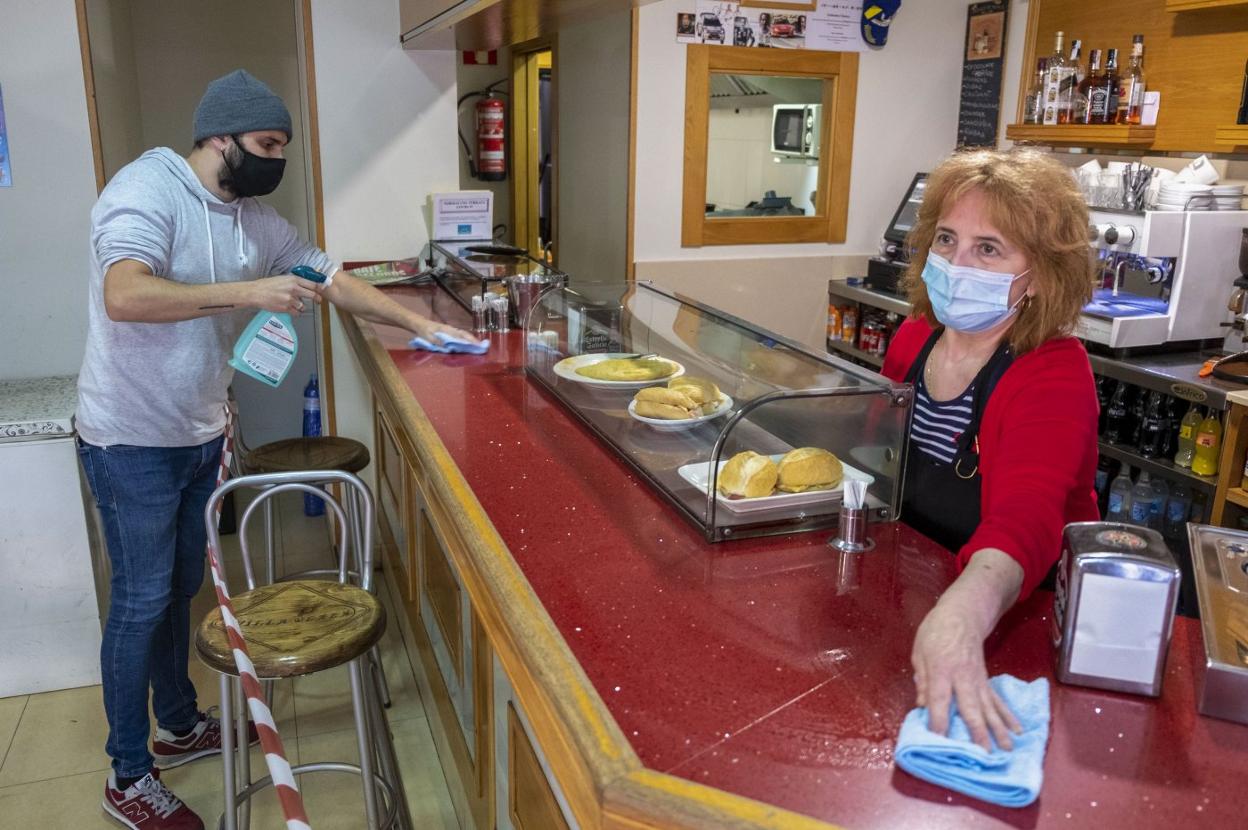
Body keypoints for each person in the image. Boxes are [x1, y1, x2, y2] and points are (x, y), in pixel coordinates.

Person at [76, 69, 473, 830]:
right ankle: (127, 774)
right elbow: (125, 295)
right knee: (140, 600)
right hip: (130, 435)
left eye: (283, 146)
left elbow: (325, 275)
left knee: (180, 586)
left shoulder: (252, 217)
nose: (275, 159)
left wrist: (419, 326)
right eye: (265, 144)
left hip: (199, 431)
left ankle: (180, 722)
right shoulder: (146, 190)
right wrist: (248, 293)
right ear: (219, 139)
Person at [880, 148, 1098, 754]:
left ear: (1042, 275)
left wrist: (962, 616)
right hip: (920, 592)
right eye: (946, 239)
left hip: (1014, 624)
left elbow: (1026, 522)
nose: (956, 262)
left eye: (989, 248)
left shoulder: (1053, 373)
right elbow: (879, 459)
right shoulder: (913, 338)